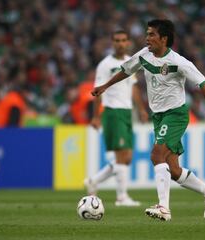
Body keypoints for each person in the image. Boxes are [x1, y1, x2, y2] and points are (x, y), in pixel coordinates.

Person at [92, 20, 205, 220]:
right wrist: (105, 86)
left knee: (156, 156)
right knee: (173, 170)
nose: (147, 38)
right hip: (159, 116)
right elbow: (126, 71)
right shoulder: (144, 55)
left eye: (152, 34)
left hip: (175, 114)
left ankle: (164, 207)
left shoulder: (178, 62)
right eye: (147, 34)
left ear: (164, 39)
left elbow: (203, 83)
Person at [84, 30, 149, 207]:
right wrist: (96, 116)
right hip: (113, 111)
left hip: (127, 112)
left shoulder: (130, 62)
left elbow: (133, 87)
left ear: (128, 43)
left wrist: (141, 109)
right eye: (117, 40)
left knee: (127, 157)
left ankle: (94, 181)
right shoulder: (105, 65)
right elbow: (97, 90)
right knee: (122, 155)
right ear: (112, 43)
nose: (120, 43)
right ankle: (121, 197)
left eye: (123, 40)